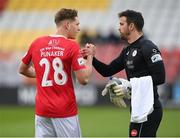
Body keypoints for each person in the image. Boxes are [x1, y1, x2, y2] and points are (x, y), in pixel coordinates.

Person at [81, 10, 165, 137]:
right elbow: (107, 71)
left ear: (131, 26)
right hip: (138, 107)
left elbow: (160, 77)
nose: (118, 28)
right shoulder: (127, 50)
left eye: (121, 24)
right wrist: (91, 57)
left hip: (149, 108)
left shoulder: (148, 47)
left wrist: (130, 85)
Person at [18, 8, 93, 138]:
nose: (79, 28)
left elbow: (22, 69)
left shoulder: (37, 43)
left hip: (42, 111)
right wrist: (90, 56)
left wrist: (42, 74)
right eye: (77, 24)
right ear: (67, 25)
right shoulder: (72, 45)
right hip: (65, 111)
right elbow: (84, 79)